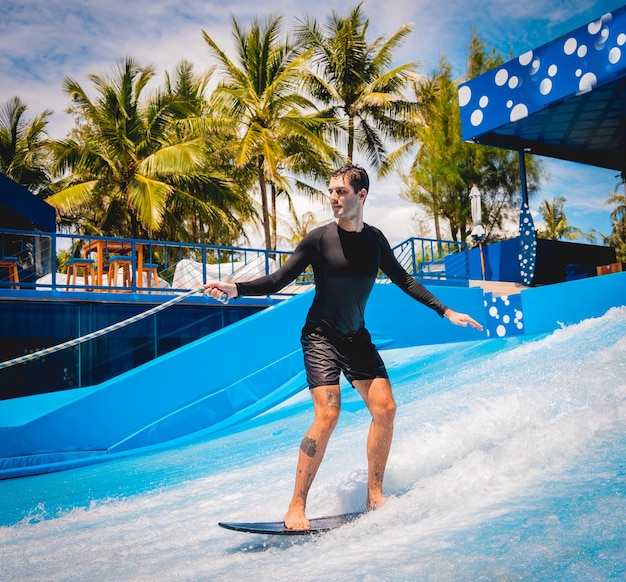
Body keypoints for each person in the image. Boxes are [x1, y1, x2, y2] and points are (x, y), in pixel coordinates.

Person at [204, 164, 482, 530]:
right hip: (321, 337)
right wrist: (235, 288)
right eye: (331, 191)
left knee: (386, 408)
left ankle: (375, 495)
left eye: (341, 192)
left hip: (356, 337)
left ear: (361, 195)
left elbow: (405, 279)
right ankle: (295, 507)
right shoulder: (319, 240)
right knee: (328, 414)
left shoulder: (376, 240)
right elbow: (277, 280)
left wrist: (445, 310)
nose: (333, 198)